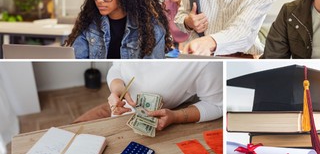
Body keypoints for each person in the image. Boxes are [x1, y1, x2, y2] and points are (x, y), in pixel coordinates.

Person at [74, 62, 223, 131]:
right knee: (71, 131)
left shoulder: (206, 64)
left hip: (152, 123)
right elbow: (117, 68)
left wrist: (175, 117)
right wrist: (117, 88)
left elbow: (217, 105)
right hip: (116, 108)